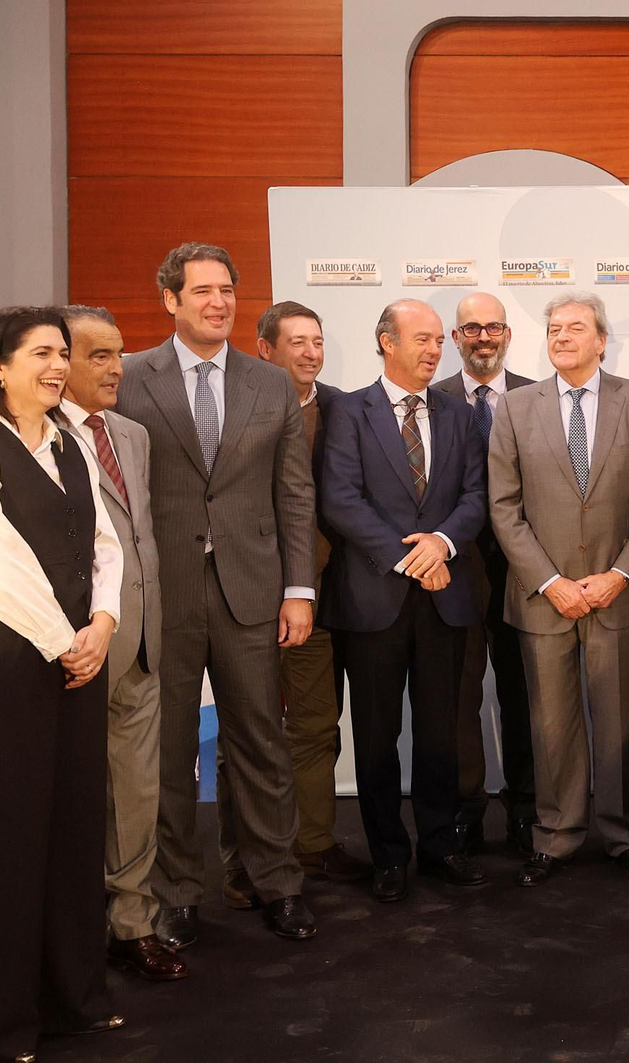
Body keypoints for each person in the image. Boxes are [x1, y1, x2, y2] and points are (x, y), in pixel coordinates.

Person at [115, 242, 317, 945]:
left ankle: (276, 882)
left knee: (260, 741)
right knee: (167, 750)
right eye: (201, 290)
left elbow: (294, 493)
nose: (218, 302)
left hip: (254, 591)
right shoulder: (130, 377)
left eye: (227, 289)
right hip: (160, 596)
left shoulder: (270, 383)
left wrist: (300, 589)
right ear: (170, 299)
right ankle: (174, 891)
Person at [0, 306, 126, 1061]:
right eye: (44, 353)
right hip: (1, 662)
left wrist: (106, 624)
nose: (61, 366)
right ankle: (6, 1022)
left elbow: (105, 544)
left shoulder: (70, 440)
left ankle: (72, 999)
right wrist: (66, 642)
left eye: (65, 353)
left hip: (79, 656)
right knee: (7, 840)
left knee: (73, 829)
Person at [318, 299, 490, 902]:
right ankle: (389, 855)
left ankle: (440, 846)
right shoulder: (346, 411)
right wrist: (408, 557)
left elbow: (476, 495)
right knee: (376, 733)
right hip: (373, 599)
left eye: (439, 340)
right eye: (421, 339)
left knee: (442, 732)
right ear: (385, 342)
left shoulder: (459, 414)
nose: (433, 350)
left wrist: (442, 544)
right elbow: (339, 500)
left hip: (445, 596)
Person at [488, 292, 629, 887]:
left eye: (575, 328)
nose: (561, 337)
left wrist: (619, 575)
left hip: (617, 592)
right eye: (554, 328)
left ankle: (622, 835)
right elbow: (503, 508)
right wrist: (551, 581)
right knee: (551, 725)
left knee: (616, 723)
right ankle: (555, 836)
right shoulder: (513, 408)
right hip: (545, 598)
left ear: (601, 339)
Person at [56, 305, 187, 983]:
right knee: (72, 796)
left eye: (119, 354)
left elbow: (140, 538)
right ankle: (70, 930)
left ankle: (132, 923)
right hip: (71, 652)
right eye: (98, 355)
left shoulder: (131, 434)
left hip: (140, 644)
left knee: (137, 790)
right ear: (58, 360)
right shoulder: (30, 437)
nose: (117, 368)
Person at [254, 300, 372, 883]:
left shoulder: (346, 411)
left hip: (346, 597)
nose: (310, 353)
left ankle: (313, 842)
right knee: (274, 727)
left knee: (319, 724)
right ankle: (277, 850)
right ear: (266, 350)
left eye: (317, 342)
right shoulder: (246, 411)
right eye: (297, 342)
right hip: (272, 599)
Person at [433, 291, 538, 858]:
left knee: (525, 697)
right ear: (456, 339)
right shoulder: (433, 399)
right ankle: (465, 811)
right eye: (470, 329)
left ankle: (527, 810)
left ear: (507, 335)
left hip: (528, 573)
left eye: (492, 327)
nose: (482, 337)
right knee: (458, 699)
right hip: (456, 572)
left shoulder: (537, 396)